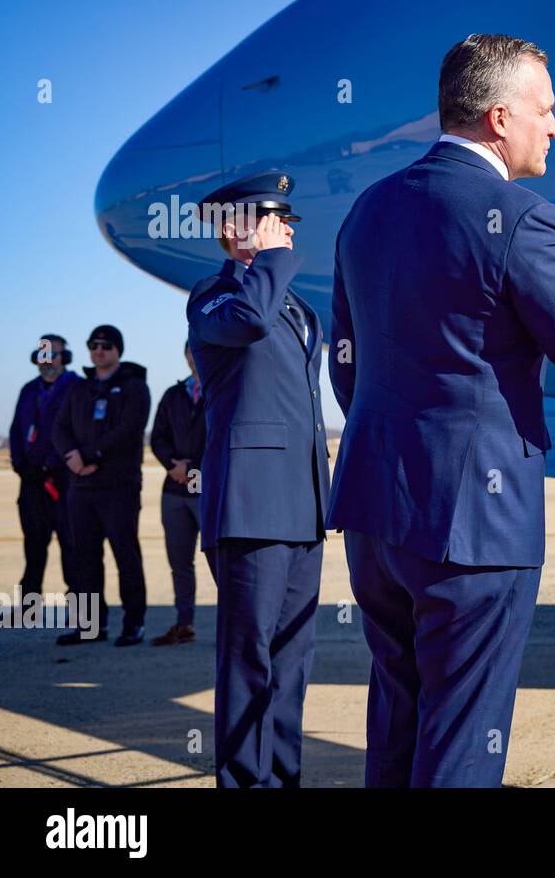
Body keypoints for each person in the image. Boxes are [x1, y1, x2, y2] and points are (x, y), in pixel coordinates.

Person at [327, 33, 555, 788]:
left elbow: (345, 361)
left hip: (373, 513)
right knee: (463, 738)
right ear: (498, 116)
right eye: (546, 111)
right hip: (474, 523)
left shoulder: (367, 211)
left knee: (398, 718)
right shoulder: (518, 215)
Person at [187, 171, 330, 788]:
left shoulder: (296, 307)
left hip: (303, 506)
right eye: (271, 220)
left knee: (291, 661)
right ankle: (245, 783)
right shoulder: (213, 297)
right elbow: (247, 321)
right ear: (232, 228)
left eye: (286, 221)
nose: (285, 230)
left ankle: (282, 778)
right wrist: (267, 260)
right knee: (249, 658)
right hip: (249, 506)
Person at [51, 325, 151, 646]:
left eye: (106, 345)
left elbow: (129, 430)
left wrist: (91, 453)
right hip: (81, 488)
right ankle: (91, 626)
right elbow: (60, 427)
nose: (99, 350)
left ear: (118, 350)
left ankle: (133, 624)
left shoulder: (135, 388)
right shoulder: (79, 390)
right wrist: (72, 457)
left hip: (118, 487)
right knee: (85, 559)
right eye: (94, 345)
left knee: (126, 556)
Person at [9, 334, 80, 602]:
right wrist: (19, 464)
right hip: (31, 480)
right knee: (34, 544)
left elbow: (74, 432)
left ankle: (79, 607)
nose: (47, 361)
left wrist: (51, 464)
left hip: (64, 481)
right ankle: (29, 603)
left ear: (66, 358)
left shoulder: (77, 388)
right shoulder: (28, 390)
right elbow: (17, 429)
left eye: (53, 355)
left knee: (71, 545)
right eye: (43, 355)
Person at [149, 341, 206, 646]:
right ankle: (184, 624)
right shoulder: (173, 395)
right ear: (185, 355)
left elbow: (226, 437)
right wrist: (174, 465)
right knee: (180, 562)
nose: (195, 356)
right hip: (174, 491)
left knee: (222, 564)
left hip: (208, 491)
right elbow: (157, 437)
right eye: (191, 351)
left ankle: (235, 628)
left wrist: (194, 467)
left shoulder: (222, 390)